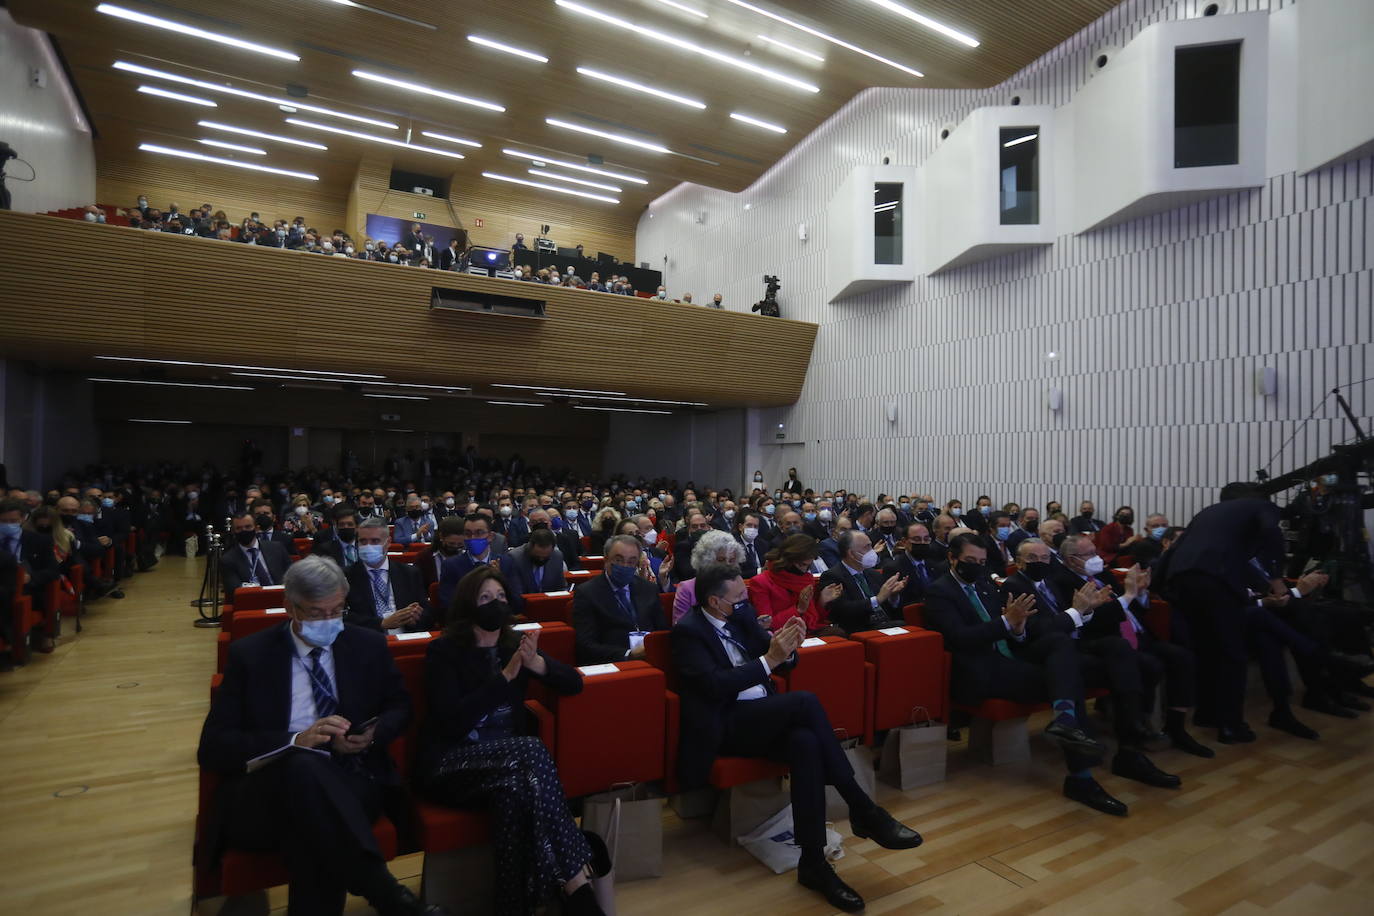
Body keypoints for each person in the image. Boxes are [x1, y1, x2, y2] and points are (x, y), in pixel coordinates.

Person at [196, 556, 441, 916]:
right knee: (303, 769)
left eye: (337, 611)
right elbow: (214, 747)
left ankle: (390, 898)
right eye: (315, 613)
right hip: (264, 792)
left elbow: (400, 708)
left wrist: (370, 735)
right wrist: (296, 740)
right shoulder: (252, 656)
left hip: (352, 777)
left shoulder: (366, 645)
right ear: (289, 607)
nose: (328, 622)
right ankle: (386, 892)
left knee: (314, 824)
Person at [672, 562, 922, 912]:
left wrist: (788, 648)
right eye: (739, 598)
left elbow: (780, 660)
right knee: (804, 701)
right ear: (715, 602)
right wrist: (770, 659)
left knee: (805, 743)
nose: (746, 603)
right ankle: (862, 807)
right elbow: (713, 687)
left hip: (763, 714)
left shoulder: (740, 617)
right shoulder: (688, 632)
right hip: (727, 724)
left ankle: (813, 864)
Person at [418, 566, 602, 915]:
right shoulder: (444, 651)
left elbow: (573, 684)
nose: (495, 604)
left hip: (510, 768)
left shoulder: (512, 646)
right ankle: (577, 879)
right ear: (469, 605)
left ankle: (513, 906)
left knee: (514, 794)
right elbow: (450, 722)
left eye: (501, 597)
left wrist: (536, 664)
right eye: (485, 598)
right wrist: (504, 678)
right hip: (452, 762)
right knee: (531, 750)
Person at [923, 533, 1127, 816]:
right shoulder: (939, 591)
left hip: (1010, 658)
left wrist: (1016, 628)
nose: (977, 566)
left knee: (1061, 647)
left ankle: (1067, 725)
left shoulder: (984, 585)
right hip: (980, 670)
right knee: (1066, 681)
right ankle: (1080, 774)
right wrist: (1008, 622)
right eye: (970, 561)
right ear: (952, 558)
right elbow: (962, 638)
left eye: (982, 561)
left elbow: (1015, 632)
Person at [572, 534, 666, 664]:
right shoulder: (587, 593)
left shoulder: (648, 589)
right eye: (618, 560)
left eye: (631, 561)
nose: (625, 566)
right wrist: (628, 654)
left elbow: (661, 630)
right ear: (606, 560)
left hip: (650, 659)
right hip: (615, 663)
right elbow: (585, 646)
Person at [344, 518, 432, 633]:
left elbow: (426, 613)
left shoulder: (409, 573)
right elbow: (344, 617)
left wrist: (416, 617)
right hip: (367, 638)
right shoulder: (347, 576)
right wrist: (381, 623)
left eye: (375, 541)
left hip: (405, 637)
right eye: (363, 541)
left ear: (388, 542)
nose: (368, 546)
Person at [746, 534, 842, 633]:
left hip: (808, 631)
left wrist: (822, 601)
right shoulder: (761, 582)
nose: (804, 570)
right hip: (783, 635)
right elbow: (767, 625)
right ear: (789, 559)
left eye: (808, 566)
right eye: (801, 565)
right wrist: (798, 609)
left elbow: (815, 619)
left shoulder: (807, 579)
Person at [818, 529, 907, 634]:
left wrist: (892, 595)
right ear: (851, 553)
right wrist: (877, 599)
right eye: (867, 547)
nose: (872, 551)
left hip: (884, 624)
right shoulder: (832, 576)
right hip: (859, 628)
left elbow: (888, 608)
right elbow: (843, 610)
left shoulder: (874, 574)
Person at [437, 514, 522, 614]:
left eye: (479, 533)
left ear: (490, 537)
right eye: (468, 533)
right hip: (468, 623)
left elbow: (517, 604)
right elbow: (449, 605)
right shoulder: (451, 565)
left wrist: (499, 579)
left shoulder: (506, 562)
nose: (473, 538)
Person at [671, 530, 744, 623]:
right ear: (705, 560)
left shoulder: (738, 582)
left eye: (732, 560)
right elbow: (681, 628)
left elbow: (745, 615)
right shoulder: (687, 588)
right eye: (721, 560)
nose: (727, 565)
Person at [222, 511, 293, 597]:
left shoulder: (276, 548)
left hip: (281, 596)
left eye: (248, 527)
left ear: (256, 528)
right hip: (252, 601)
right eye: (239, 528)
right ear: (233, 532)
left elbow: (292, 574)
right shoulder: (228, 559)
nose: (243, 531)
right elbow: (234, 590)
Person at [507, 527, 568, 594]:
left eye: (545, 557)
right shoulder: (514, 558)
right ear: (530, 547)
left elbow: (561, 586)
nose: (541, 559)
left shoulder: (557, 556)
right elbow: (515, 591)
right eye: (537, 556)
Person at [312, 504, 361, 568]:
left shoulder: (364, 546)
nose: (345, 527)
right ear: (336, 527)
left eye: (350, 524)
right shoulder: (325, 549)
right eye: (342, 524)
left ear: (357, 527)